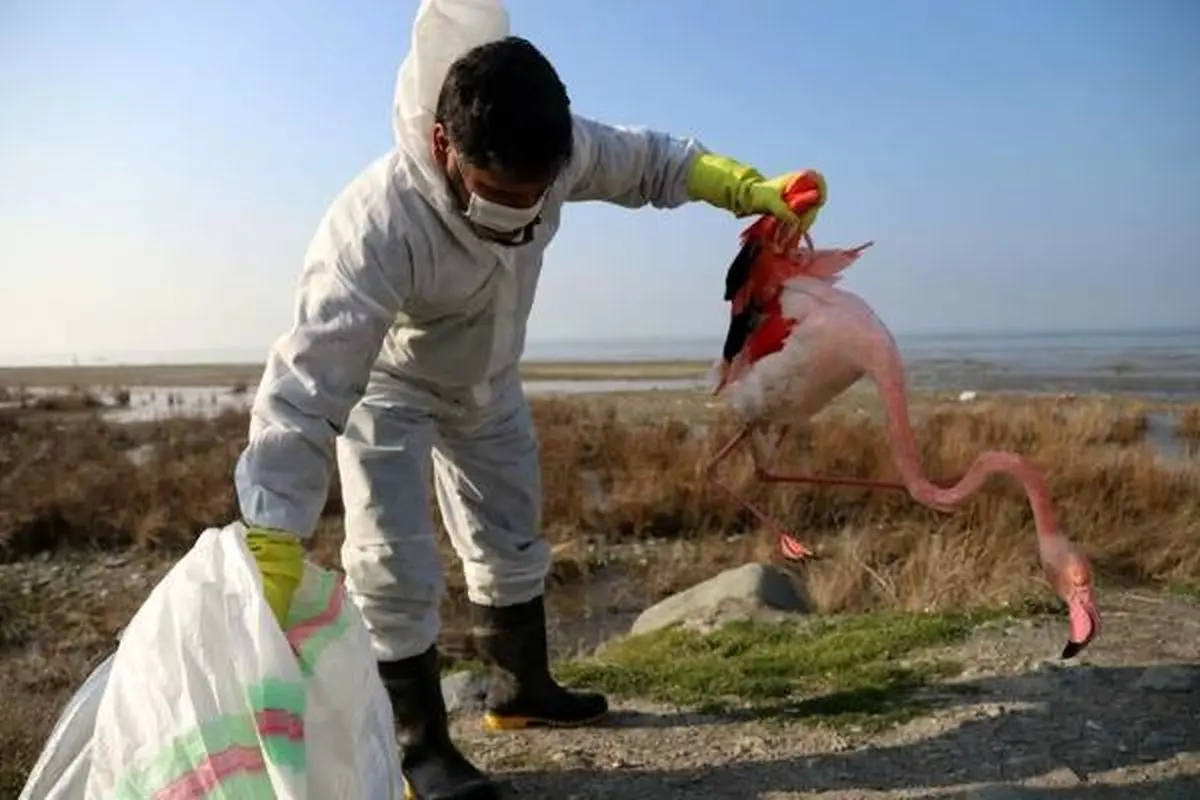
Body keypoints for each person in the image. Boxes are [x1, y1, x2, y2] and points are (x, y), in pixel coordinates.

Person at [235, 34, 826, 800]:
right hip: (391, 389)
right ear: (443, 145)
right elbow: (306, 386)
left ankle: (521, 693)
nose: (518, 217)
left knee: (512, 535)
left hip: (488, 380)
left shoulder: (564, 150)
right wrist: (273, 530)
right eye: (496, 195)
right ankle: (417, 751)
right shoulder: (373, 228)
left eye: (535, 197)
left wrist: (745, 186)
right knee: (393, 563)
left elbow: (655, 163)